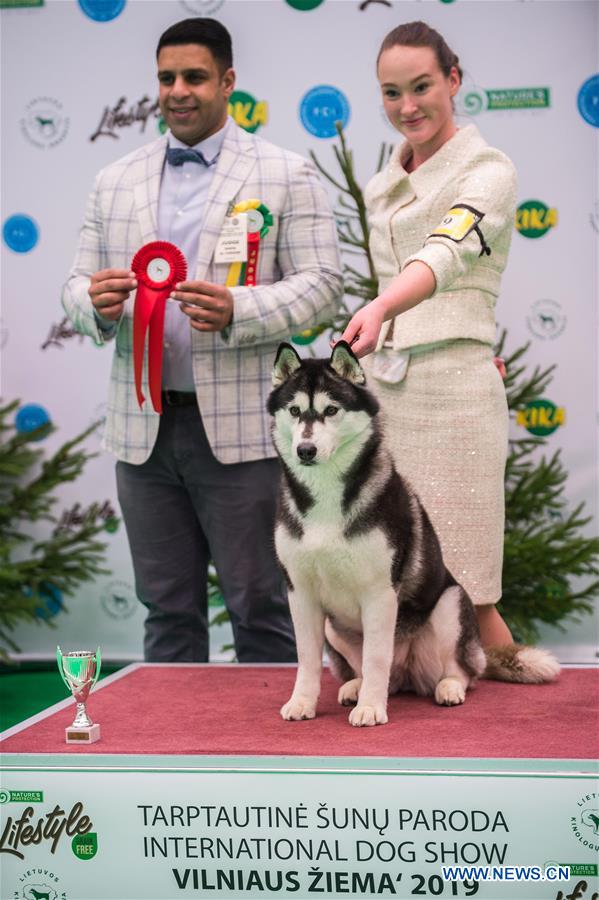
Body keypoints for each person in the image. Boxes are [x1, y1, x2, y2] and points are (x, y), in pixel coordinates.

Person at [62, 18, 342, 663]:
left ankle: (282, 728)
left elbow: (325, 284)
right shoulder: (115, 180)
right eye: (166, 78)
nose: (178, 91)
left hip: (245, 434)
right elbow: (76, 284)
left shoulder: (286, 173)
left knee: (262, 604)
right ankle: (171, 730)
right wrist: (93, 304)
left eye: (194, 77)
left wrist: (239, 307)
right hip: (143, 431)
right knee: (165, 608)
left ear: (228, 81)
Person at [340, 21, 516, 647]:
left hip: (457, 393)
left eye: (421, 87)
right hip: (388, 396)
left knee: (470, 588)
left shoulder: (488, 171)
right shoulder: (381, 186)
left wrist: (383, 306)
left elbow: (448, 250)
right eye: (391, 93)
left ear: (454, 79)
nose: (407, 106)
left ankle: (506, 687)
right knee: (389, 576)